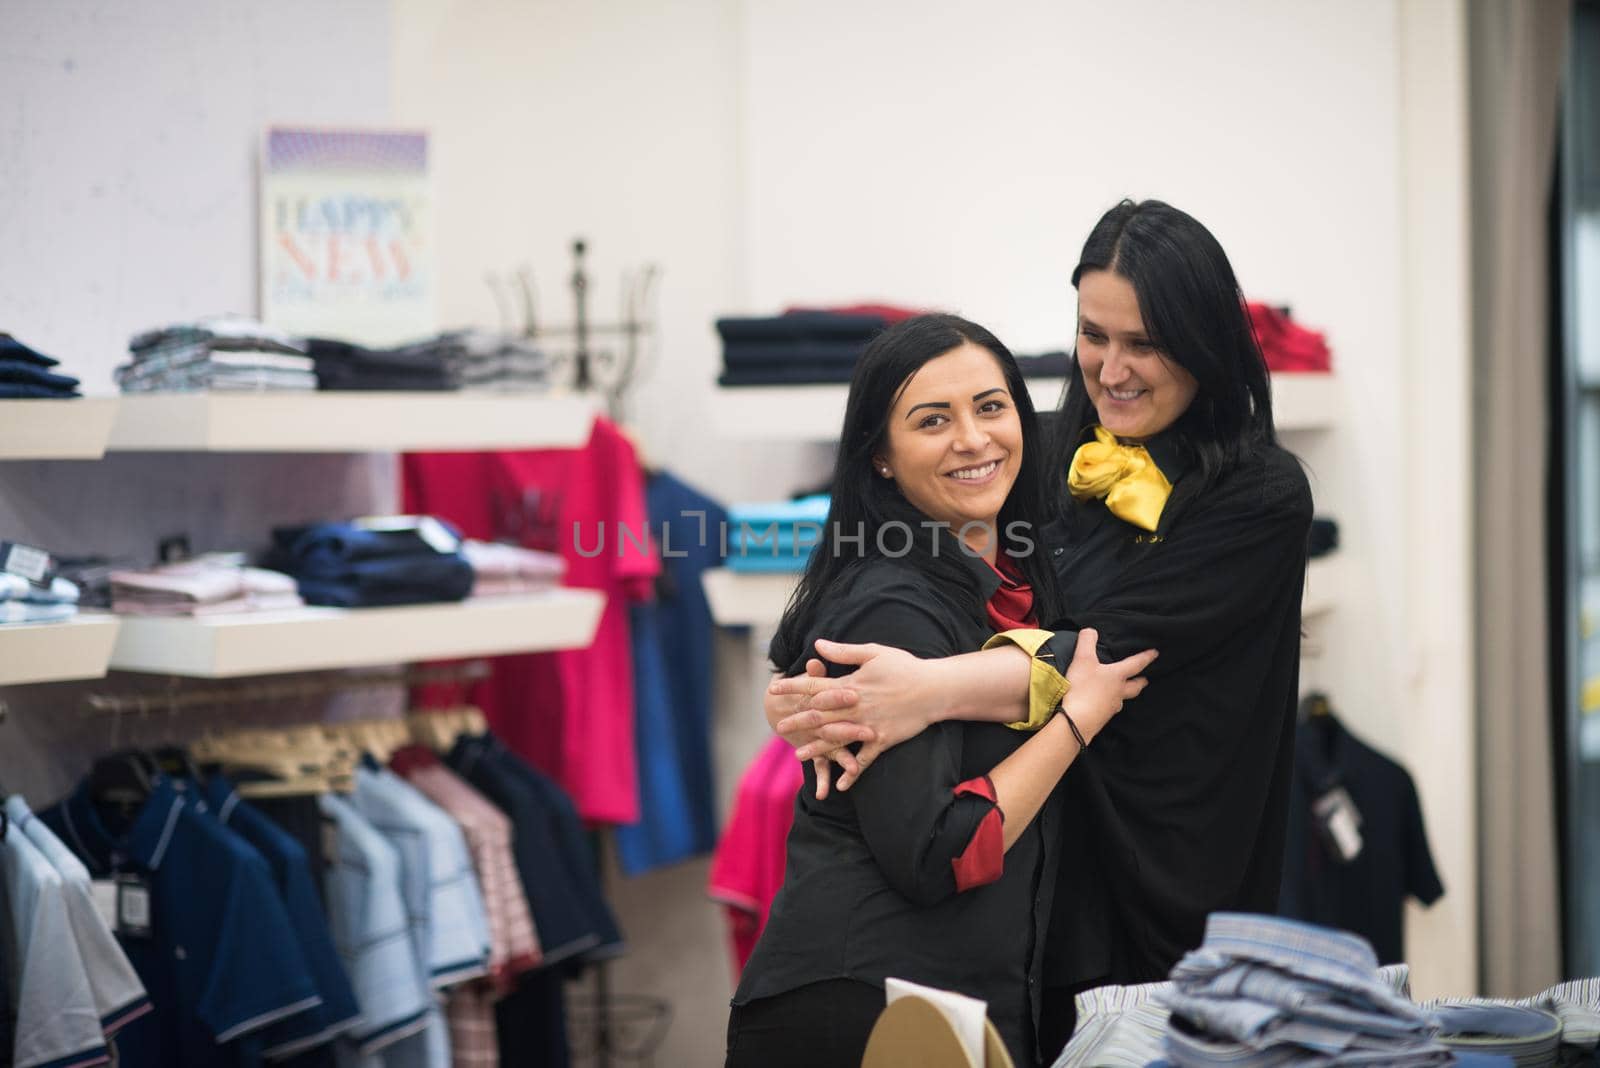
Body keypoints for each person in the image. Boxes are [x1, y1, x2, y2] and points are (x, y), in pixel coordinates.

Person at [767, 199, 1315, 1054]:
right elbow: (900, 590)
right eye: (1095, 335)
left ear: (1204, 343)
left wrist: (926, 690)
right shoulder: (1043, 452)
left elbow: (1108, 653)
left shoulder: (1261, 493)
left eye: (1145, 342)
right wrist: (813, 691)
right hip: (1034, 888)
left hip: (1174, 878)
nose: (1113, 368)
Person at [726, 313, 1156, 1068]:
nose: (973, 438)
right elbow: (938, 854)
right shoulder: (890, 603)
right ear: (881, 458)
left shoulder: (1013, 581)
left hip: (939, 1008)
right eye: (933, 421)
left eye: (991, 407)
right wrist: (1076, 719)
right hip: (860, 1014)